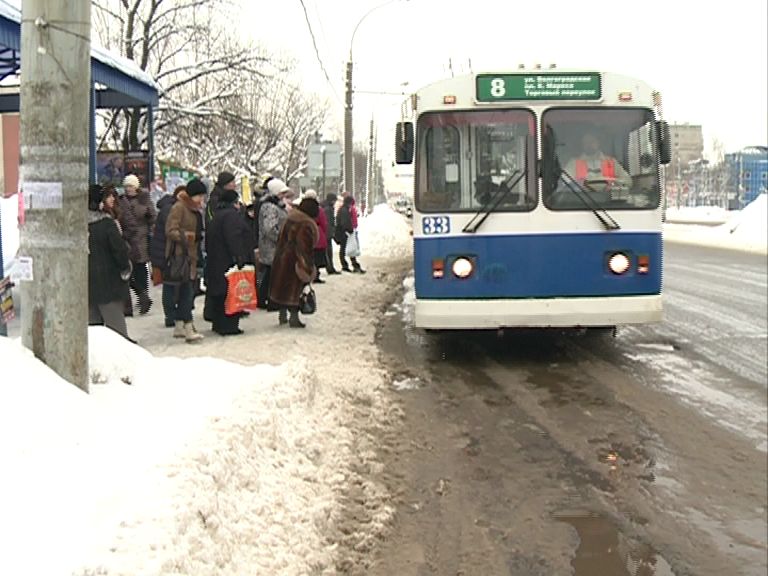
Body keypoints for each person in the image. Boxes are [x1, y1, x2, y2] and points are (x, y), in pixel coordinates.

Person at [204, 186, 253, 335]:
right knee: (231, 292)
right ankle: (229, 326)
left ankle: (218, 324)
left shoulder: (217, 215)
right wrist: (240, 257)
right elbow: (234, 237)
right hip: (228, 261)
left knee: (219, 294)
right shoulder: (231, 216)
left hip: (216, 260)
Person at [87, 184, 133, 342]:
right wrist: (125, 268)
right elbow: (119, 251)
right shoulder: (106, 224)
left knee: (93, 332)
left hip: (87, 283)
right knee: (116, 329)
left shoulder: (78, 226)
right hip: (109, 282)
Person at [165, 179, 207, 342]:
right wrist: (189, 237)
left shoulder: (195, 209)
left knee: (185, 291)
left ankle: (179, 326)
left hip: (191, 256)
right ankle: (188, 327)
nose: (201, 199)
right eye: (199, 196)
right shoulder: (179, 207)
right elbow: (171, 230)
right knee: (186, 292)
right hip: (181, 256)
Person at [269, 196, 319, 328]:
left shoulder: (290, 218)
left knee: (282, 287)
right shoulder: (305, 224)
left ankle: (282, 315)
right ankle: (294, 318)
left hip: (282, 256)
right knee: (295, 288)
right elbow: (304, 247)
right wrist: (308, 265)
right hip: (294, 260)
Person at [118, 173, 156, 315]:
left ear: (136, 187)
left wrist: (149, 219)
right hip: (127, 239)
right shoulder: (121, 200)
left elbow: (152, 216)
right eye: (126, 186)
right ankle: (142, 296)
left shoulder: (144, 199)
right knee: (130, 270)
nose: (128, 189)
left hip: (141, 239)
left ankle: (143, 296)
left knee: (140, 268)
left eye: (131, 186)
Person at [257, 178, 292, 309]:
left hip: (274, 246)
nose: (284, 196)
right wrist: (282, 238)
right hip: (272, 246)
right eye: (281, 193)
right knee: (272, 274)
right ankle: (270, 300)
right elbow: (269, 228)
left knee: (271, 273)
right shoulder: (270, 207)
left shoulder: (275, 205)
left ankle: (267, 299)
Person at [563, 132, 632, 191]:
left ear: (598, 142)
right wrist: (578, 186)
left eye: (592, 141)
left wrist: (614, 184)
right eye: (586, 142)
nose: (589, 145)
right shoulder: (574, 163)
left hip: (609, 200)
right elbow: (564, 181)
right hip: (582, 200)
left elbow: (628, 181)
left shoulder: (611, 162)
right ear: (582, 145)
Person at [335, 195, 365, 273]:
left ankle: (351, 265)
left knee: (346, 249)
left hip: (344, 232)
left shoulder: (343, 209)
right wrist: (350, 230)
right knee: (346, 249)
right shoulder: (345, 210)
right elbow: (345, 222)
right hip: (345, 232)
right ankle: (348, 266)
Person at [303, 190, 328, 283]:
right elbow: (324, 223)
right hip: (317, 233)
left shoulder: (302, 209)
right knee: (317, 258)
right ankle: (316, 275)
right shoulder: (318, 209)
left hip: (305, 233)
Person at [321, 193, 340, 274]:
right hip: (327, 233)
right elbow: (328, 222)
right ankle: (330, 268)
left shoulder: (325, 207)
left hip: (326, 233)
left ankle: (330, 267)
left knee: (328, 251)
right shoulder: (328, 209)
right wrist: (331, 233)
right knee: (328, 251)